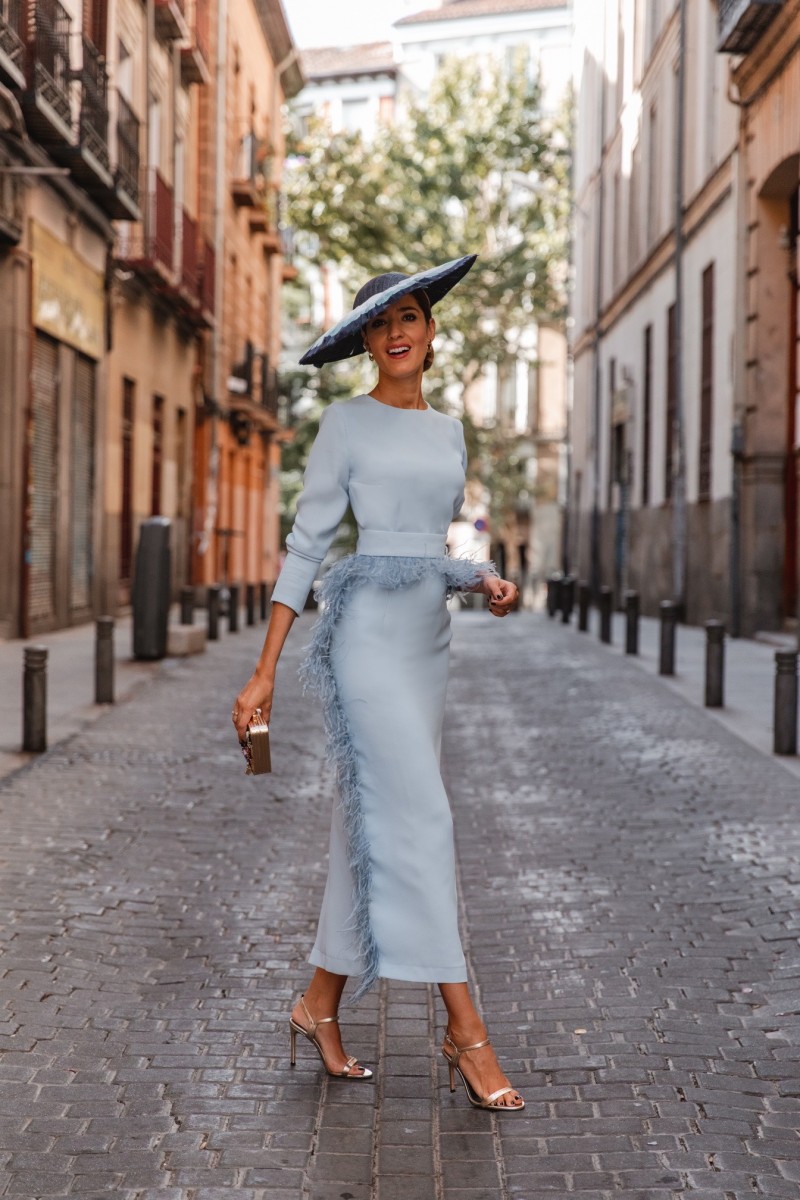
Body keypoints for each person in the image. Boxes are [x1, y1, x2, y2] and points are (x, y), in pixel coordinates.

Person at [232, 255, 524, 1111]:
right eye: (381, 322)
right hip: (361, 646)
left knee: (370, 824)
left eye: (411, 317)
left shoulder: (448, 432)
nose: (397, 332)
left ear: (431, 333)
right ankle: (467, 1033)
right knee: (424, 819)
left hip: (425, 644)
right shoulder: (344, 426)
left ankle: (318, 1004)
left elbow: (424, 549)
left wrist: (483, 582)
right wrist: (264, 673)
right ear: (367, 341)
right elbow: (308, 546)